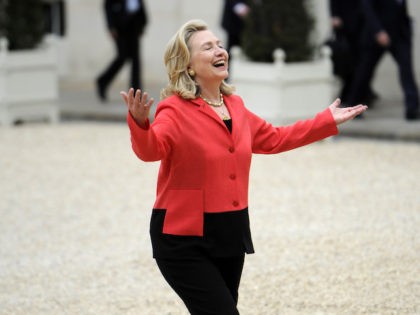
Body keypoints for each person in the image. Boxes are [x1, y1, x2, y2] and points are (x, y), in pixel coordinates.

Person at [120, 20, 367, 315]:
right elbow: (151, 150)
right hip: (182, 238)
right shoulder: (174, 109)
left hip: (230, 232)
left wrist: (325, 121)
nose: (219, 50)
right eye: (208, 47)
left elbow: (275, 138)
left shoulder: (235, 105)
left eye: (219, 45)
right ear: (188, 65)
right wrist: (139, 123)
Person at [346, 0, 419, 120]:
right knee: (365, 71)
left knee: (407, 70)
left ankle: (412, 109)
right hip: (376, 36)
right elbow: (367, 8)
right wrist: (378, 31)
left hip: (400, 35)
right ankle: (353, 107)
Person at [96, 0, 148, 102]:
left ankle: (135, 94)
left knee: (136, 61)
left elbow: (140, 5)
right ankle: (103, 80)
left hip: (135, 26)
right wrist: (111, 26)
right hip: (120, 28)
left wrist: (143, 23)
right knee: (122, 57)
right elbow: (108, 6)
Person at [328, 0, 378, 106]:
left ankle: (360, 94)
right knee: (351, 64)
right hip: (346, 27)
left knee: (362, 63)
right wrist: (334, 14)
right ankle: (353, 95)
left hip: (364, 26)